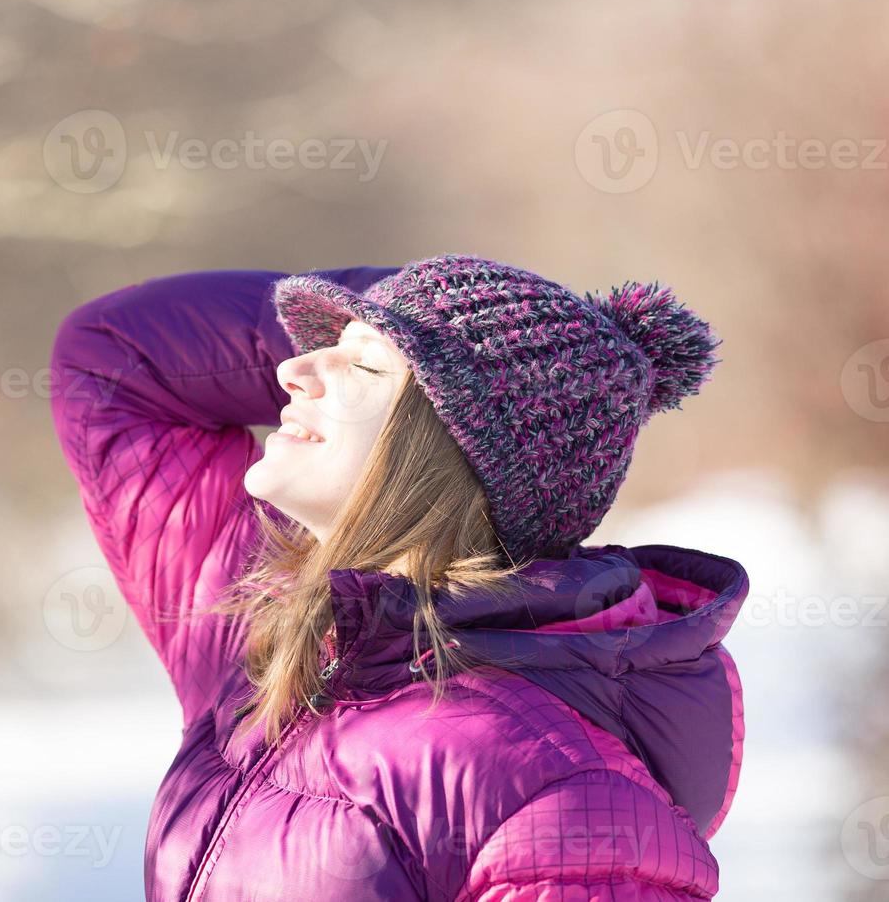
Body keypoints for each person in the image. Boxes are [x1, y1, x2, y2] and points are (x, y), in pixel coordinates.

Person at [48, 255, 747, 901]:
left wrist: (515, 355)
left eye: (367, 367)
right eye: (327, 346)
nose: (294, 370)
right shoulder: (269, 638)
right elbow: (115, 357)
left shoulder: (559, 792)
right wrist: (442, 314)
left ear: (454, 453)